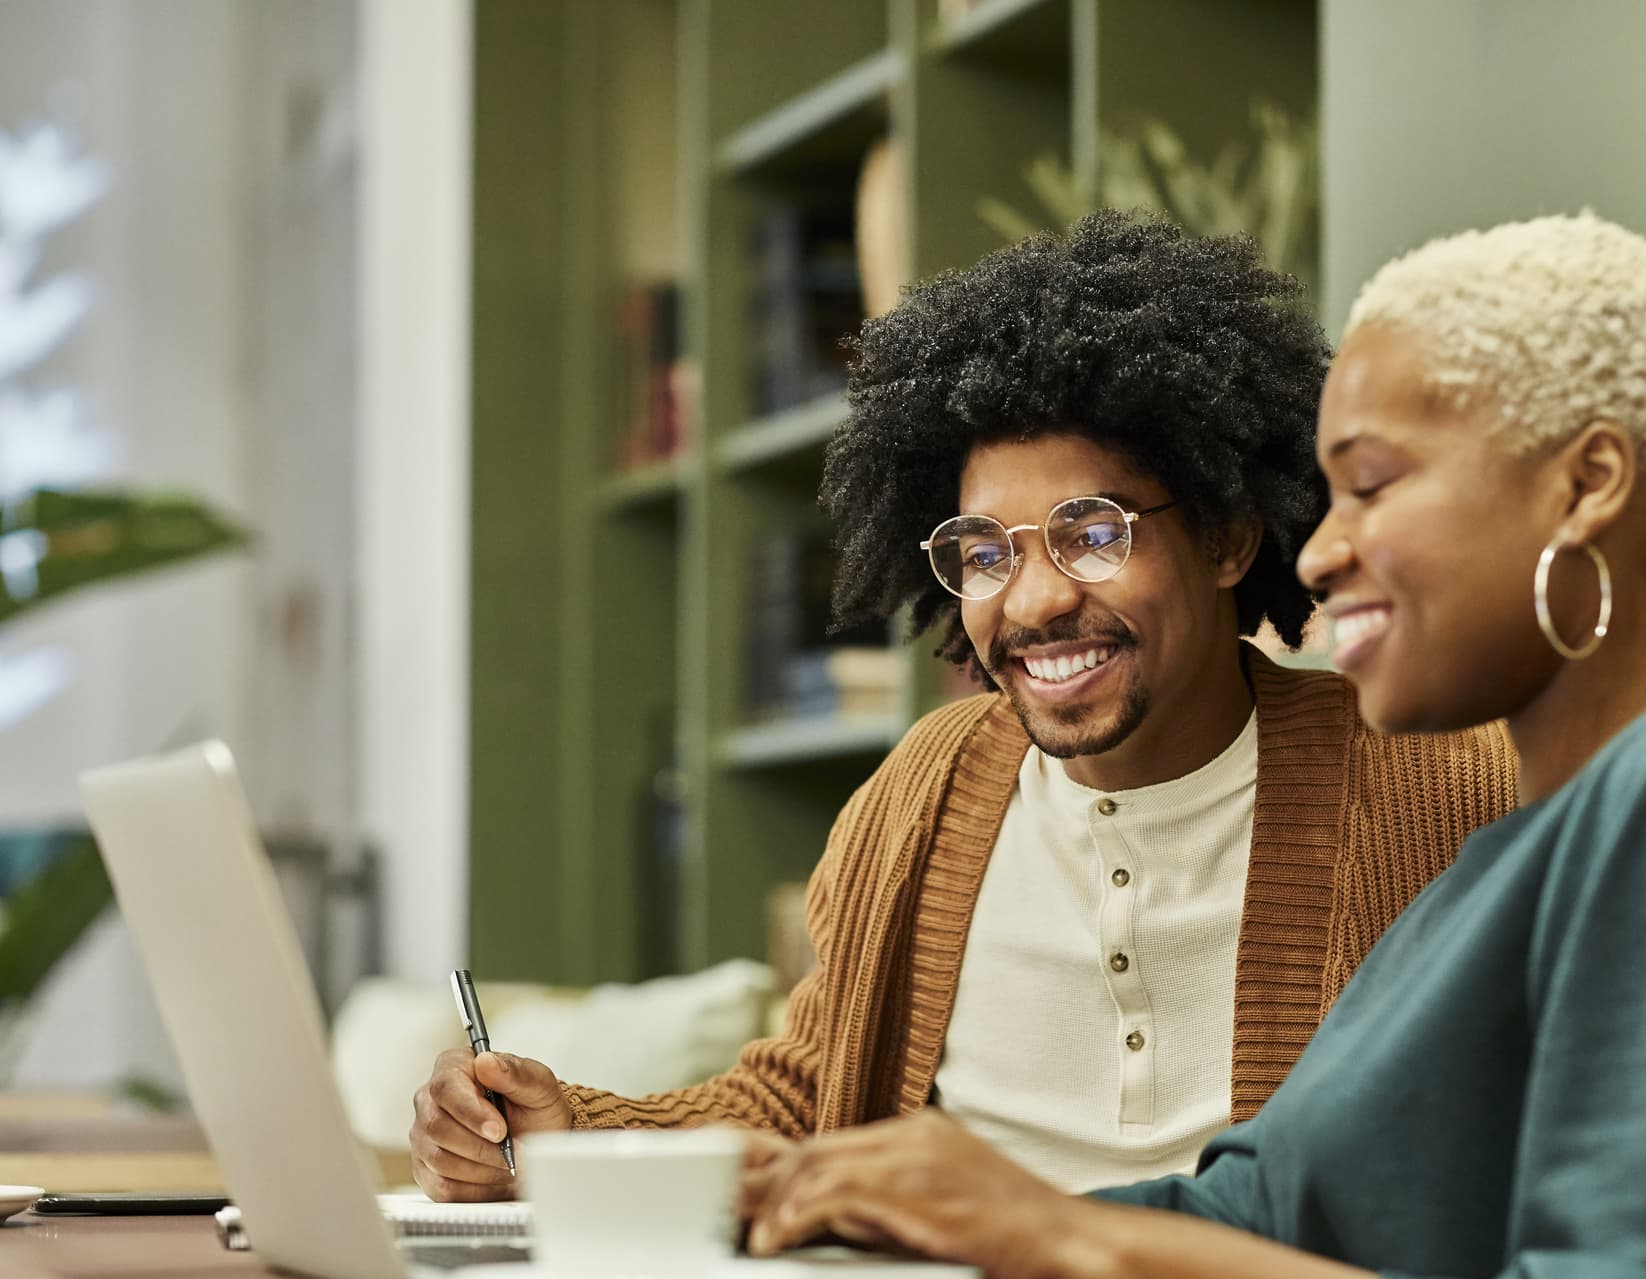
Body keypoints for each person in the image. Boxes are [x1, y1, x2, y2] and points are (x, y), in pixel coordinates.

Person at [739, 213, 1646, 1279]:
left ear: (1586, 485)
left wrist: (1077, 1241)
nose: (1318, 552)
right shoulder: (1494, 873)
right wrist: (876, 1205)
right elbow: (1246, 1215)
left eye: (1373, 486)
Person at [409, 212, 1519, 1203]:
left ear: (1229, 539)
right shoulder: (926, 788)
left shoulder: (1441, 785)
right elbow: (809, 1098)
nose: (1033, 601)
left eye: (1094, 533)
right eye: (983, 552)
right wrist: (568, 1136)